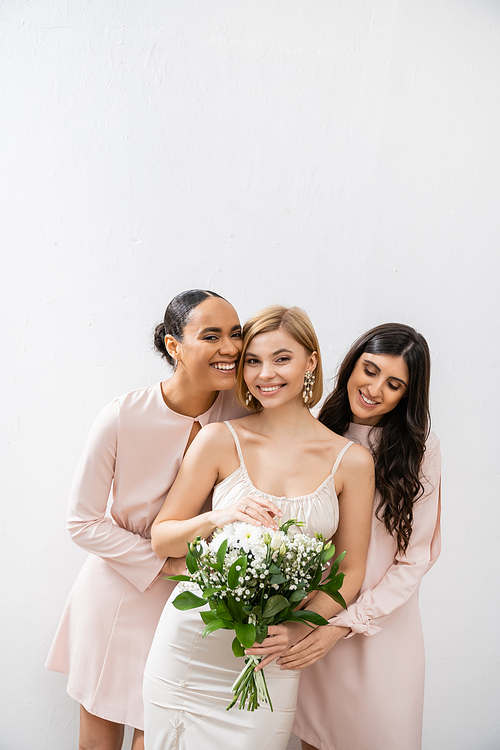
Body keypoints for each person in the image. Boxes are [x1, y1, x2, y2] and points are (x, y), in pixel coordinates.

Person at [143, 305, 374, 750]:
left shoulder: (352, 462)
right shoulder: (219, 440)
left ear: (311, 361)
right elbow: (162, 538)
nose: (264, 373)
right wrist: (218, 517)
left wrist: (303, 628)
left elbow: (352, 573)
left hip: (272, 655)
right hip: (191, 643)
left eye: (281, 359)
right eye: (252, 360)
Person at [45, 290, 246, 750]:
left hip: (194, 605)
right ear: (174, 346)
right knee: (98, 739)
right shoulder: (122, 415)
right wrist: (165, 564)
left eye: (235, 334)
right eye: (211, 336)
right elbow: (81, 521)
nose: (231, 348)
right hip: (118, 593)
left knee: (163, 739)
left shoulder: (243, 412)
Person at [283, 323, 441, 750]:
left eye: (394, 384)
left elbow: (416, 559)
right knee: (313, 740)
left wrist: (345, 625)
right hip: (312, 623)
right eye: (369, 370)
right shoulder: (316, 432)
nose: (374, 389)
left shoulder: (419, 451)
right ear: (352, 363)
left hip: (379, 635)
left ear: (407, 395)